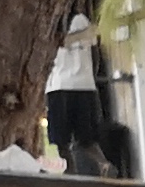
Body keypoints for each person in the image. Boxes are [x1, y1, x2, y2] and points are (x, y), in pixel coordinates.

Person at [43, 14, 105, 176]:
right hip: (84, 85)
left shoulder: (48, 22)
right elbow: (93, 45)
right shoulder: (81, 20)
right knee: (87, 139)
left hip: (59, 85)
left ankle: (71, 172)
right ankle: (103, 163)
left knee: (61, 141)